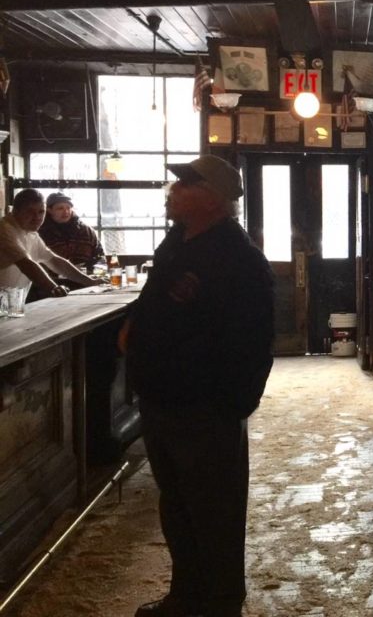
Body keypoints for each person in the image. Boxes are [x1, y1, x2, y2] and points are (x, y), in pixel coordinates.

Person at [122, 155, 274, 617]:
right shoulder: (176, 243)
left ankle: (221, 602)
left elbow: (254, 341)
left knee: (215, 514)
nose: (172, 191)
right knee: (178, 509)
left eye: (184, 184)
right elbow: (156, 303)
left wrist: (233, 406)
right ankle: (185, 596)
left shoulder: (238, 258)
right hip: (161, 397)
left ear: (212, 199)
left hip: (206, 407)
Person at [0, 188, 103, 298]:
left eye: (41, 212)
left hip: (12, 304)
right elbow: (26, 264)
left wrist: (90, 281)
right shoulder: (4, 229)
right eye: (30, 212)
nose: (37, 218)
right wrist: (54, 288)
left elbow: (53, 260)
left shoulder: (30, 233)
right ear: (15, 211)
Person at [38, 191, 105, 271]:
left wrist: (89, 269)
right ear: (49, 210)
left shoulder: (87, 231)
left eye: (68, 208)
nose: (66, 212)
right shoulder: (41, 233)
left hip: (86, 279)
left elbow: (100, 257)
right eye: (60, 208)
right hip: (52, 280)